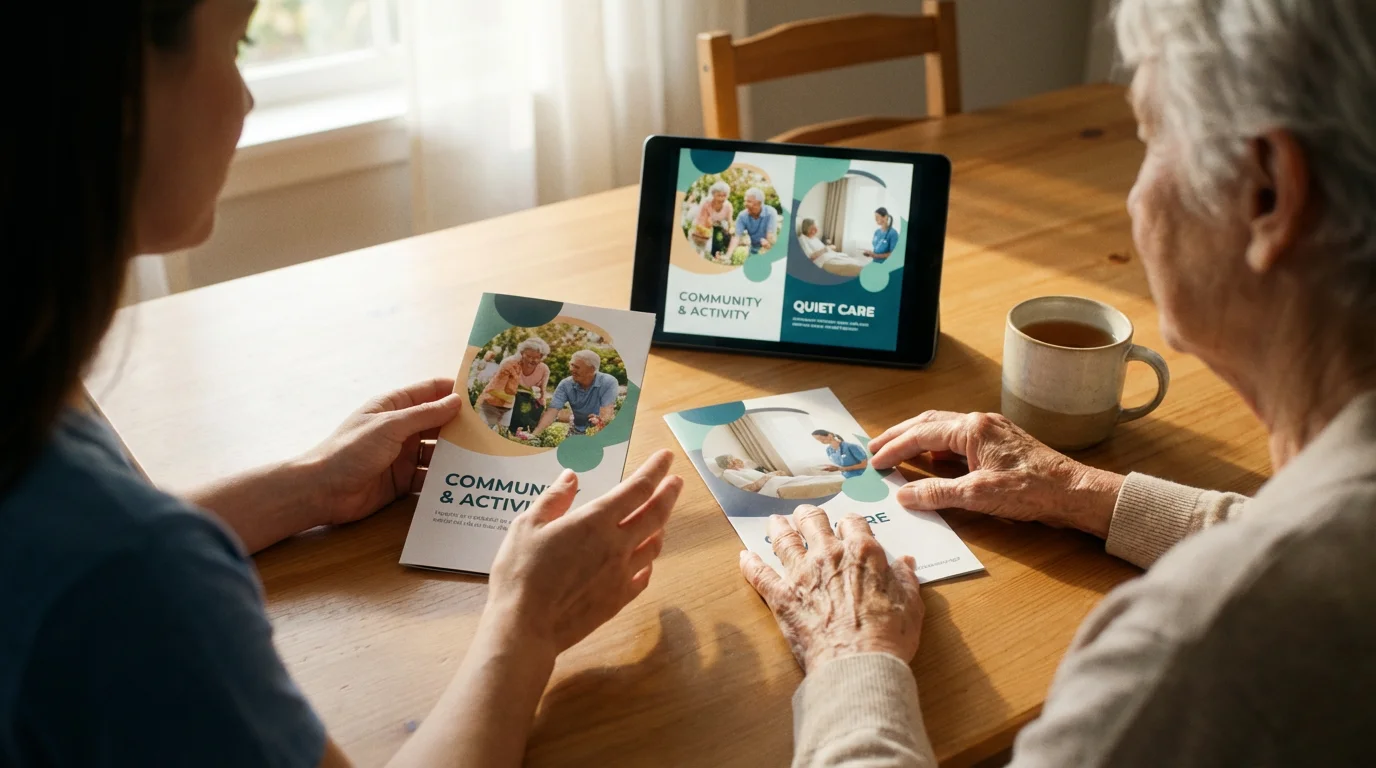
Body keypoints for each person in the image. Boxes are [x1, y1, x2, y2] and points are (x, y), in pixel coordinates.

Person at [1, 3, 682, 766]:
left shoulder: (37, 403)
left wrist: (310, 486)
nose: (245, 98)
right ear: (115, 90)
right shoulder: (138, 580)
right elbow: (115, 573)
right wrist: (525, 627)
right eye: (234, 42)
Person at [741, 1, 1376, 765]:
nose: (1136, 199)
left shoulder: (1190, 650)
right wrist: (1086, 493)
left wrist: (852, 655)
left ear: (1267, 193)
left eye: (1149, 139)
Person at [534, 350, 618, 435]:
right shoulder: (565, 384)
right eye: (572, 365)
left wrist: (598, 421)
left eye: (577, 367)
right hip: (577, 430)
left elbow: (606, 415)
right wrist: (535, 434)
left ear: (592, 369)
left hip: (601, 431)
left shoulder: (608, 382)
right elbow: (552, 412)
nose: (572, 369)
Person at [475, 338, 550, 430]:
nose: (531, 360)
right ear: (522, 353)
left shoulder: (544, 370)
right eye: (528, 356)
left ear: (542, 357)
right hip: (497, 401)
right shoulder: (510, 364)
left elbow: (542, 393)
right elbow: (496, 387)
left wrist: (541, 402)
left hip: (514, 403)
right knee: (486, 427)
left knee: (504, 430)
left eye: (536, 357)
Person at [726, 187, 780, 258]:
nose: (745, 204)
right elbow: (736, 237)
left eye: (749, 201)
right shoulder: (742, 216)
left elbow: (770, 236)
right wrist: (728, 255)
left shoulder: (770, 213)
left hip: (769, 247)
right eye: (745, 201)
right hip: (753, 249)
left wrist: (768, 245)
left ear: (758, 203)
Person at [692, 180, 734, 257]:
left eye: (724, 195)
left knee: (717, 250)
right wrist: (707, 228)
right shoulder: (707, 203)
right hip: (703, 228)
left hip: (718, 228)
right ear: (713, 194)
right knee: (700, 251)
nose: (721, 198)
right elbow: (701, 221)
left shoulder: (728, 206)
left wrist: (731, 229)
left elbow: (730, 221)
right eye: (719, 195)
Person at [715, 455, 788, 493]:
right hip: (764, 489)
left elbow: (761, 476)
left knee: (781, 472)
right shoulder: (727, 473)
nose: (734, 460)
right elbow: (750, 488)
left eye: (732, 458)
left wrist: (773, 474)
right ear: (726, 464)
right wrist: (768, 477)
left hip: (769, 482)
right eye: (730, 460)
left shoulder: (741, 469)